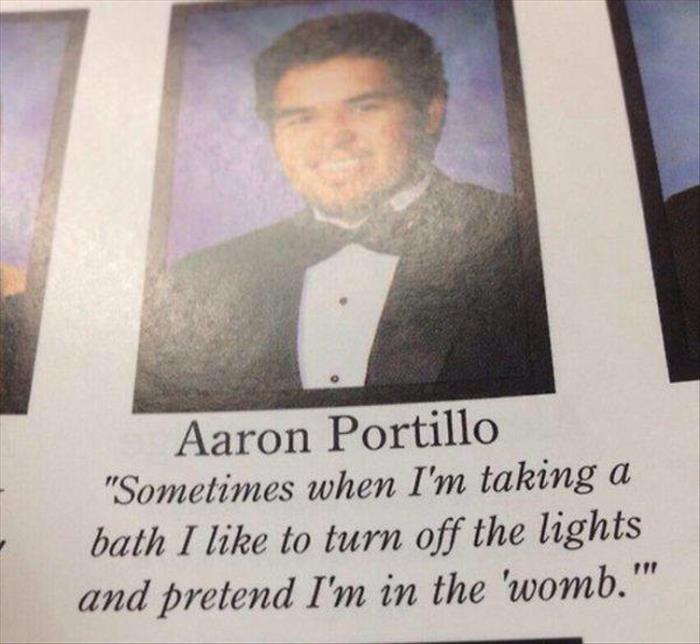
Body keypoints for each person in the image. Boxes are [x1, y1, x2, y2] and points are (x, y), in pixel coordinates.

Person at [134, 11, 529, 411]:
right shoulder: (200, 281)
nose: (333, 138)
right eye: (301, 118)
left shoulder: (525, 245)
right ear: (274, 137)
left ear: (430, 113)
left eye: (364, 108)